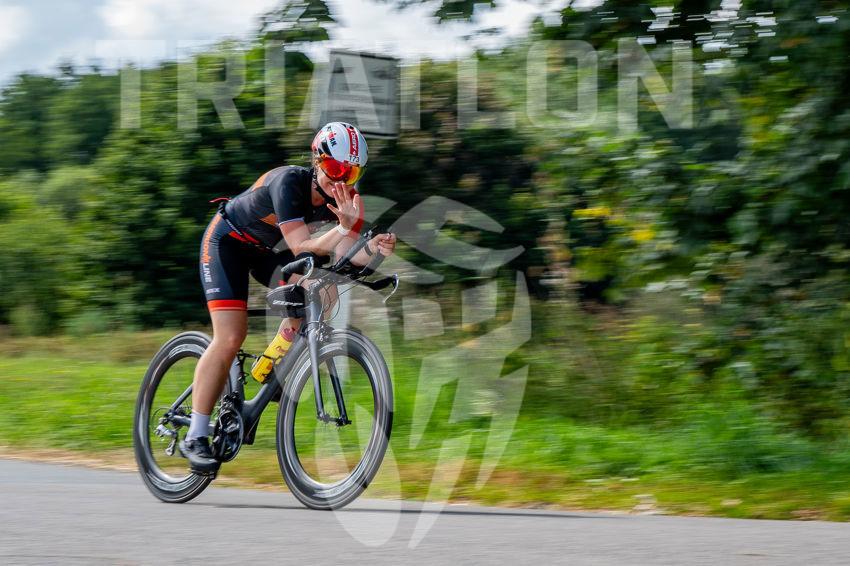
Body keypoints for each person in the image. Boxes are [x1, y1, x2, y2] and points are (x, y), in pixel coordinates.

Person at [180, 122, 396, 472]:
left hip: (267, 251)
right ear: (317, 160)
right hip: (228, 243)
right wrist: (344, 227)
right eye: (335, 168)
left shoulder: (348, 200)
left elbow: (346, 258)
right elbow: (301, 246)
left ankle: (272, 365)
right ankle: (196, 434)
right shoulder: (289, 182)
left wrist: (374, 249)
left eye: (351, 172)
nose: (341, 179)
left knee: (322, 291)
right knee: (231, 336)